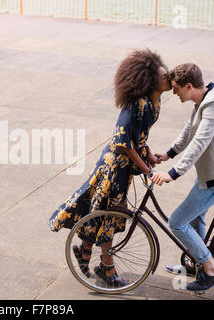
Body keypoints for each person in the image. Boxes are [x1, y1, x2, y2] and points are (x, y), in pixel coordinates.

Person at [49, 48, 171, 287]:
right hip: (114, 166)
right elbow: (123, 140)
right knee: (110, 215)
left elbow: (139, 137)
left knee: (103, 210)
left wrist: (148, 155)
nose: (168, 78)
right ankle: (106, 265)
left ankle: (84, 252)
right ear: (149, 80)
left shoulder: (155, 102)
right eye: (164, 76)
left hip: (126, 166)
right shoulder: (137, 103)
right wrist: (146, 170)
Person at [151, 63, 214, 292]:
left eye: (176, 88)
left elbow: (199, 143)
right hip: (211, 174)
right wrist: (168, 154)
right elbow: (189, 130)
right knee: (195, 220)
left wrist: (173, 173)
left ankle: (211, 269)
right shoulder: (205, 97)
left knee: (177, 222)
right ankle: (199, 264)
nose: (174, 93)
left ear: (189, 86)